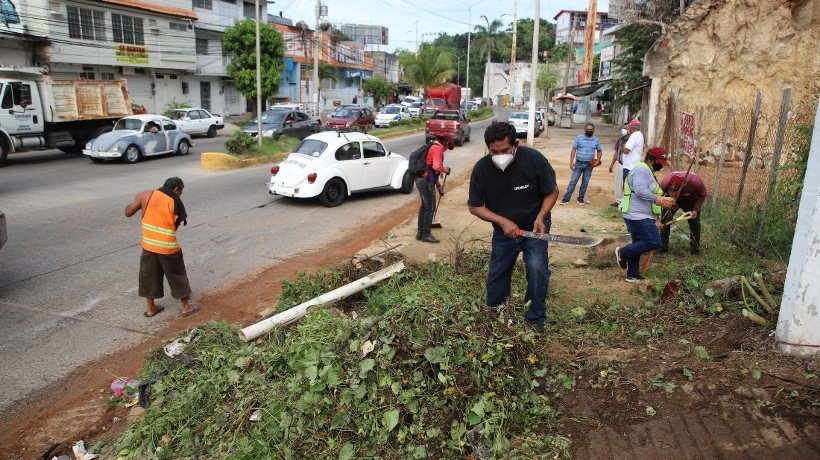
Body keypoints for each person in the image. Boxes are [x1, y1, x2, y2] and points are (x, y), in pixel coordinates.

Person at [468, 122, 559, 332]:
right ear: (487, 148)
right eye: (494, 152)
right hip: (504, 233)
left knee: (537, 270)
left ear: (515, 145)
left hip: (535, 228)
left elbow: (552, 191)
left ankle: (535, 319)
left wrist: (541, 217)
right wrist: (502, 222)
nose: (500, 155)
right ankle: (496, 317)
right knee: (498, 273)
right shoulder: (482, 169)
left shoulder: (533, 160)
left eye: (505, 150)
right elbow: (475, 206)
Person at [124, 177, 198, 317]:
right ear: (176, 190)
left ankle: (151, 309)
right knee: (177, 275)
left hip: (148, 245)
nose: (179, 195)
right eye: (180, 192)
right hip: (167, 246)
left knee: (148, 276)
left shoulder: (146, 195)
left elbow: (128, 212)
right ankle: (186, 307)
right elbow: (174, 227)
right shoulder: (176, 202)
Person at [615, 147, 676, 282]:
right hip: (637, 215)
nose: (661, 165)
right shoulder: (642, 170)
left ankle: (632, 274)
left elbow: (649, 195)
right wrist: (659, 199)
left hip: (640, 214)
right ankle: (623, 253)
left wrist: (657, 218)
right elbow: (640, 190)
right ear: (651, 159)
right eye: (659, 162)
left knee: (638, 242)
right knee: (653, 241)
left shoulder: (646, 171)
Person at [659, 171, 708, 255]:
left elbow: (703, 194)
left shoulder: (696, 183)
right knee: (665, 221)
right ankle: (663, 247)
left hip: (690, 200)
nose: (672, 193)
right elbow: (658, 197)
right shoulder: (665, 182)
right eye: (671, 191)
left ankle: (695, 249)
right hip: (671, 201)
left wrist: (695, 209)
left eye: (675, 192)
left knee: (695, 223)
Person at [416, 134, 452, 243]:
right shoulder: (438, 148)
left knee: (424, 207)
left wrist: (438, 185)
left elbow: (431, 171)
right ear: (445, 143)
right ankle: (426, 235)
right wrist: (446, 169)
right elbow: (437, 167)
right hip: (425, 181)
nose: (445, 150)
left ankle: (420, 233)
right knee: (430, 207)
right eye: (447, 147)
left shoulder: (431, 146)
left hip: (421, 179)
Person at [559, 123, 602, 205]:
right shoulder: (579, 138)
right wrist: (571, 161)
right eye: (587, 129)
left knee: (585, 182)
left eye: (591, 129)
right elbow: (573, 149)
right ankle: (566, 199)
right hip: (578, 164)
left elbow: (599, 150)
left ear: (593, 130)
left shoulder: (596, 140)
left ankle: (580, 198)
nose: (589, 131)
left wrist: (598, 160)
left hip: (589, 165)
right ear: (585, 130)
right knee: (573, 181)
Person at [608, 123, 630, 207]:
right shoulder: (620, 140)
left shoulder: (632, 140)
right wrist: (612, 164)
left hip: (628, 165)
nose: (624, 130)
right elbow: (616, 152)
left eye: (626, 128)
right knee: (618, 183)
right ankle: (618, 201)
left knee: (626, 184)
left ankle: (626, 202)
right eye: (623, 128)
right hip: (620, 164)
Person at [619, 119, 644, 184]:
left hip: (629, 167)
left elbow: (626, 150)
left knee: (627, 189)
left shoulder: (634, 135)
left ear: (630, 127)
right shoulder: (639, 134)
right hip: (635, 165)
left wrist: (621, 148)